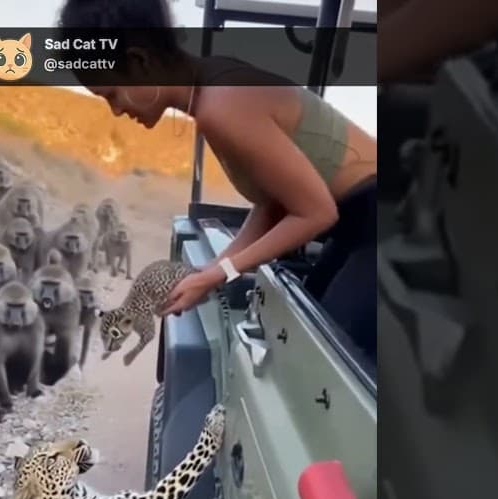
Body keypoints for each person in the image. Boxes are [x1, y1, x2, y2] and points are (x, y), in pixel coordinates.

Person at [56, 0, 379, 361]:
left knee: (324, 362)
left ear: (139, 62)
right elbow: (275, 202)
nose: (116, 110)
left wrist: (216, 275)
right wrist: (210, 271)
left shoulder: (222, 106)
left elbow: (316, 213)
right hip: (359, 225)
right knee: (305, 332)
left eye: (111, 94)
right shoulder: (213, 88)